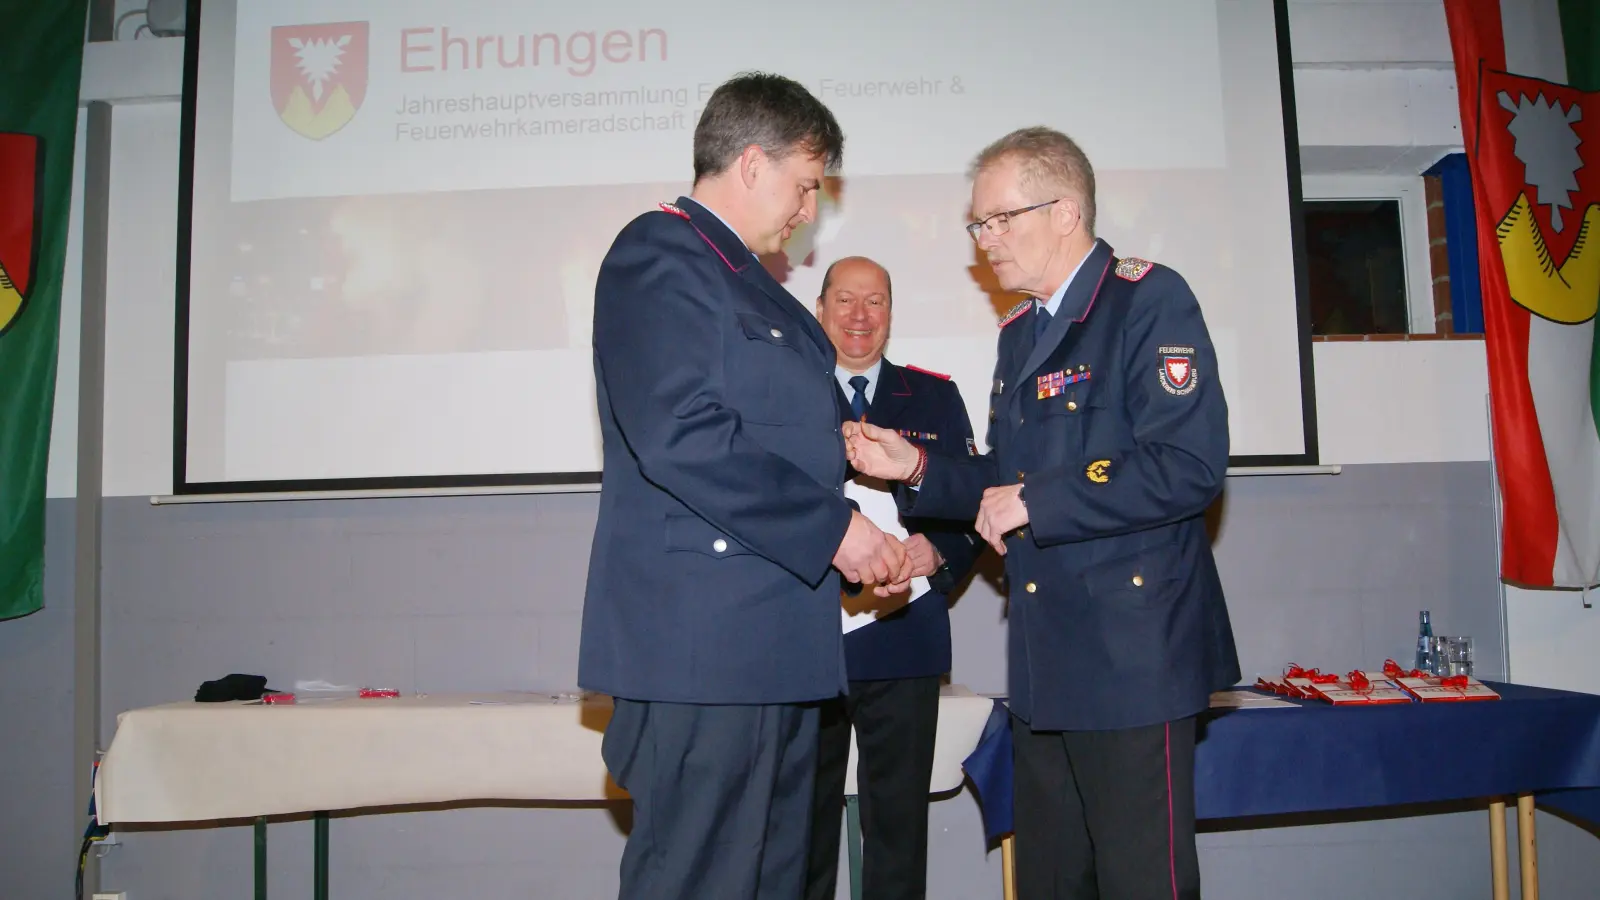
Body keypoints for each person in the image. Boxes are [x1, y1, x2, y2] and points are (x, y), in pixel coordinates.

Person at [843, 126, 1240, 900]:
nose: (984, 241)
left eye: (999, 220)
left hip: (1133, 660)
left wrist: (1040, 498)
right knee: (1055, 881)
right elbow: (1008, 477)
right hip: (1046, 660)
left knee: (1139, 882)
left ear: (1065, 211)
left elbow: (1186, 464)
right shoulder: (1022, 332)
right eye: (977, 225)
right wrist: (918, 466)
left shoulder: (1146, 299)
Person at [579, 73, 914, 900]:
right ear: (754, 163)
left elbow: (763, 425)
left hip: (773, 649)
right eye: (806, 186)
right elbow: (680, 433)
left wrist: (851, 451)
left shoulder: (754, 284)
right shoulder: (660, 254)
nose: (808, 211)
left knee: (769, 882)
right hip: (707, 650)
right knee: (700, 880)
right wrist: (836, 531)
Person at [803, 256, 983, 900]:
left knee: (899, 831)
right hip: (804, 640)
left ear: (890, 313)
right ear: (820, 308)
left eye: (874, 302)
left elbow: (973, 504)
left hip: (904, 636)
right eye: (845, 300)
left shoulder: (934, 394)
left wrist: (939, 553)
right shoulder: (784, 390)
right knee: (802, 832)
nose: (859, 316)